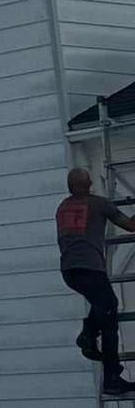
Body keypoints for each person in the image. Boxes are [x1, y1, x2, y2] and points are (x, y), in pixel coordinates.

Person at [59, 167, 135, 396]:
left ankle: (88, 335)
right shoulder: (99, 204)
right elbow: (131, 226)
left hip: (69, 270)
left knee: (102, 305)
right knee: (109, 309)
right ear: (87, 184)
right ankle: (112, 378)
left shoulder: (62, 206)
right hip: (90, 267)